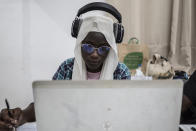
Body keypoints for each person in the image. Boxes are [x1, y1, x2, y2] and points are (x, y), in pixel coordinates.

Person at [0, 2, 131, 130]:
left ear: (111, 48)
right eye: (88, 46)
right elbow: (49, 102)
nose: (95, 55)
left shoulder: (120, 72)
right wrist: (21, 116)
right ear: (79, 44)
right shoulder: (67, 67)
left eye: (103, 48)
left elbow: (124, 112)